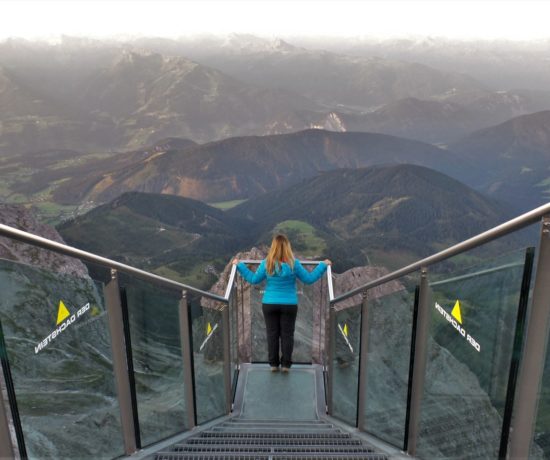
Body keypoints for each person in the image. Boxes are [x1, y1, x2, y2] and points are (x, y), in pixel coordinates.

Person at [232, 234, 331, 373]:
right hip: (289, 304)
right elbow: (309, 279)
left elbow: (254, 279)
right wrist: (322, 265)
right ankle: (286, 365)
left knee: (272, 334)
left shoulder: (267, 263)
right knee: (287, 335)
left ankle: (273, 364)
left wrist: (240, 266)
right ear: (287, 248)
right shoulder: (293, 264)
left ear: (273, 248)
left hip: (269, 304)